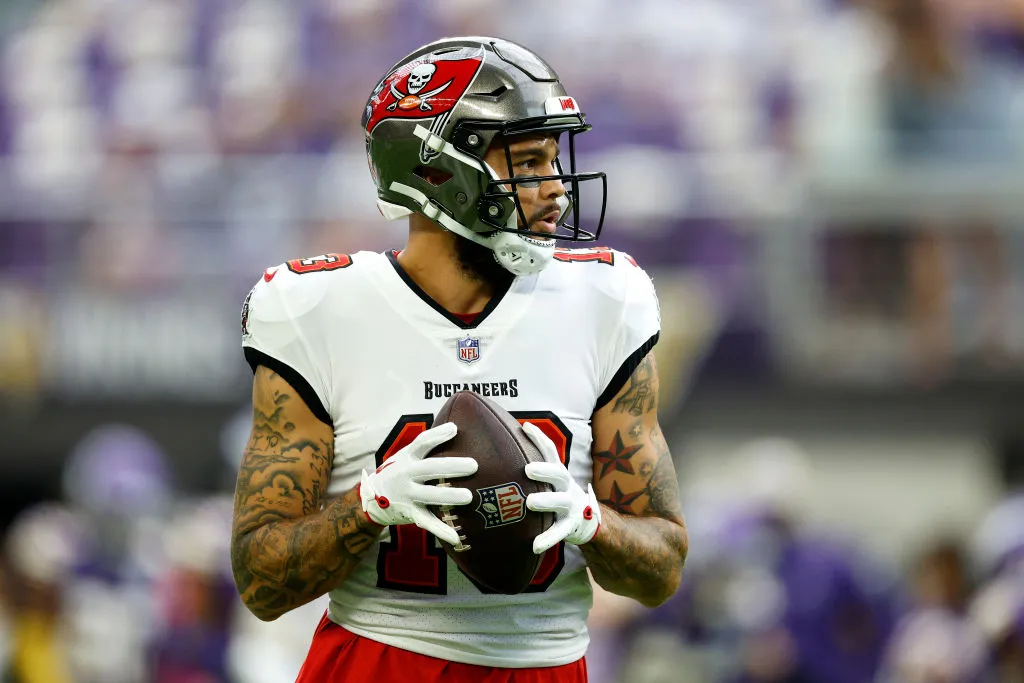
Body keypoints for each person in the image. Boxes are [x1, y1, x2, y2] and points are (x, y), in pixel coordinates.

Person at [229, 36, 689, 683]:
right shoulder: (316, 308)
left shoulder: (607, 297)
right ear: (436, 171)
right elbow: (261, 582)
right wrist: (369, 506)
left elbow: (662, 567)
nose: (556, 188)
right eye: (528, 162)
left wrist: (593, 521)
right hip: (378, 658)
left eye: (554, 159)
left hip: (548, 662)